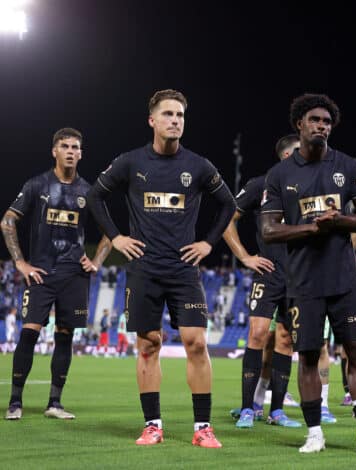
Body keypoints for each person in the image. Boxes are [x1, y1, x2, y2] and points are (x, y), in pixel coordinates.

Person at [86, 89, 236, 448]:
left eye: (180, 115)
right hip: (143, 269)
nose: (175, 120)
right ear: (152, 120)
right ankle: (152, 425)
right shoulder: (130, 162)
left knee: (196, 343)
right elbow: (94, 196)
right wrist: (116, 237)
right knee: (148, 346)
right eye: (168, 114)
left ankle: (203, 428)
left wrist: (207, 243)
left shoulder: (198, 165)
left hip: (184, 270)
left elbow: (228, 204)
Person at [260, 93, 356, 456]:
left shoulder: (348, 166)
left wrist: (338, 221)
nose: (321, 126)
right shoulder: (280, 174)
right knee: (306, 355)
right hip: (303, 282)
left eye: (327, 121)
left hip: (344, 279)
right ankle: (314, 434)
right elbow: (269, 231)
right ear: (299, 125)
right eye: (315, 120)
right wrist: (311, 229)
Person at [4, 127, 112, 421]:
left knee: (65, 337)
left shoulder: (88, 192)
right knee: (29, 333)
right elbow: (8, 221)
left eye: (75, 147)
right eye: (64, 146)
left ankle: (55, 403)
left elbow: (110, 233)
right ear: (55, 151)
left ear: (81, 153)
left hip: (74, 275)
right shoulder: (37, 185)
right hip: (41, 272)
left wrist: (97, 261)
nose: (70, 151)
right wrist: (20, 263)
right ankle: (15, 402)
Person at [223, 134, 302, 429]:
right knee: (257, 335)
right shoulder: (261, 184)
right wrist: (245, 257)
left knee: (285, 340)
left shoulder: (308, 187)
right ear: (285, 156)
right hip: (268, 273)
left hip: (298, 276)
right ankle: (247, 408)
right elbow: (227, 219)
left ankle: (277, 411)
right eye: (298, 150)